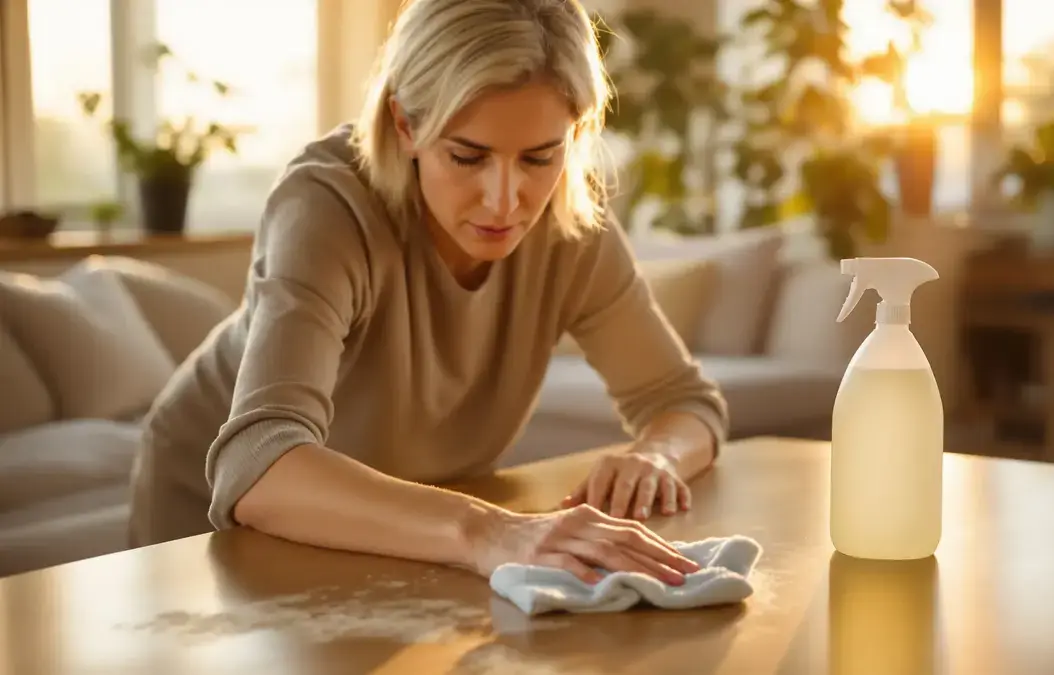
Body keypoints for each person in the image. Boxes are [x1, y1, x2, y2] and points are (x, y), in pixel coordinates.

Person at [128, 0, 729, 587]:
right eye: (467, 156)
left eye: (540, 157)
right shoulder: (327, 208)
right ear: (406, 125)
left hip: (409, 533)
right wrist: (491, 532)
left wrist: (656, 457)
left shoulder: (569, 219)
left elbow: (686, 403)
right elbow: (259, 462)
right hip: (212, 522)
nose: (504, 199)